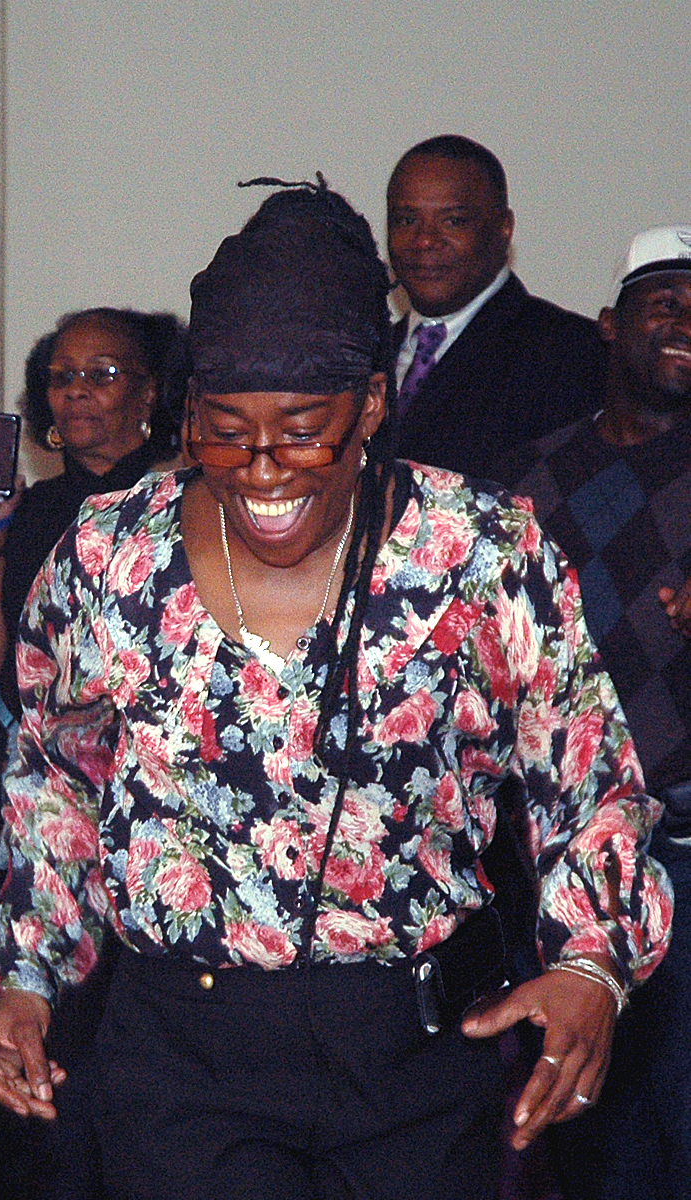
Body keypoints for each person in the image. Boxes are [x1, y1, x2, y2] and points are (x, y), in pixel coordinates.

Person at [0, 179, 670, 1200]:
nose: (260, 467)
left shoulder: (476, 552)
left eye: (302, 428)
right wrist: (29, 976)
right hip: (180, 1058)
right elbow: (55, 778)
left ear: (372, 404)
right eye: (223, 428)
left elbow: (589, 771)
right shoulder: (112, 553)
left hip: (419, 1055)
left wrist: (593, 961)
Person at [0, 306, 181, 1198]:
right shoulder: (30, 514)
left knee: (153, 1112)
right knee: (49, 1120)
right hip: (41, 840)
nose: (76, 391)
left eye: (103, 372)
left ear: (154, 393)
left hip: (165, 852)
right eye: (62, 376)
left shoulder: (188, 507)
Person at [501, 225, 691, 1199]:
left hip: (682, 858)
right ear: (611, 324)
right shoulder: (531, 479)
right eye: (668, 302)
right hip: (546, 867)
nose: (687, 324)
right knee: (570, 1139)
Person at [386, 135, 601, 478]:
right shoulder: (359, 358)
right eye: (406, 220)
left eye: (453, 221)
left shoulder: (575, 355)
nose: (424, 240)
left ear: (504, 228)